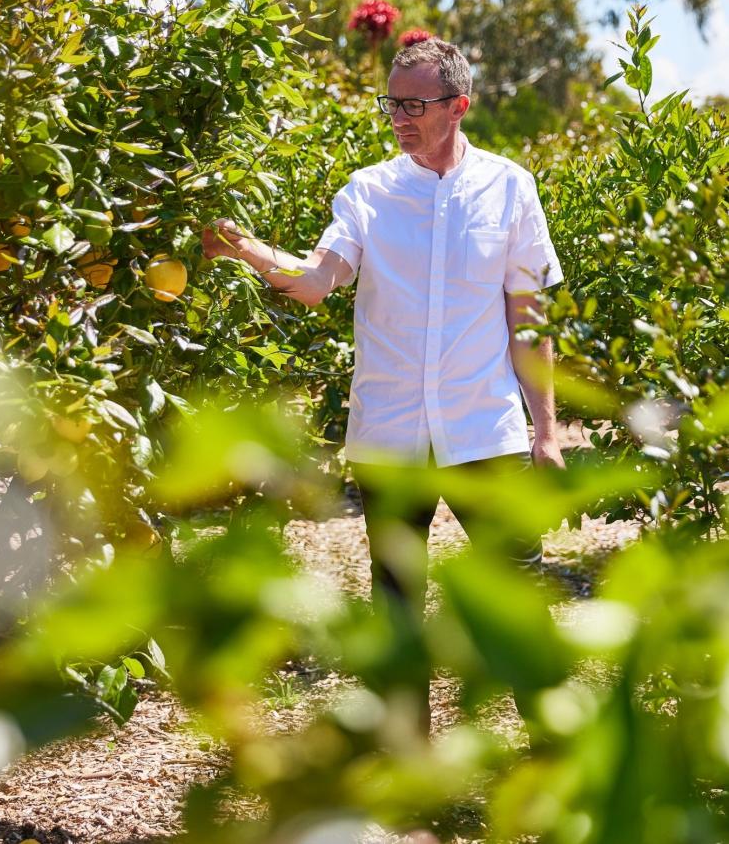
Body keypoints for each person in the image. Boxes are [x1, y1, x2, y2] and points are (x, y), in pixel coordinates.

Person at [202, 38, 565, 735]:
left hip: (483, 427)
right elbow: (316, 281)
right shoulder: (369, 191)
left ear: (459, 106)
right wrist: (245, 248)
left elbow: (528, 312)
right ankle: (410, 770)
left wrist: (545, 429)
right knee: (397, 605)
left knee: (516, 594)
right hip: (391, 432)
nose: (398, 116)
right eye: (391, 101)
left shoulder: (510, 186)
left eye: (413, 103)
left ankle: (558, 750)